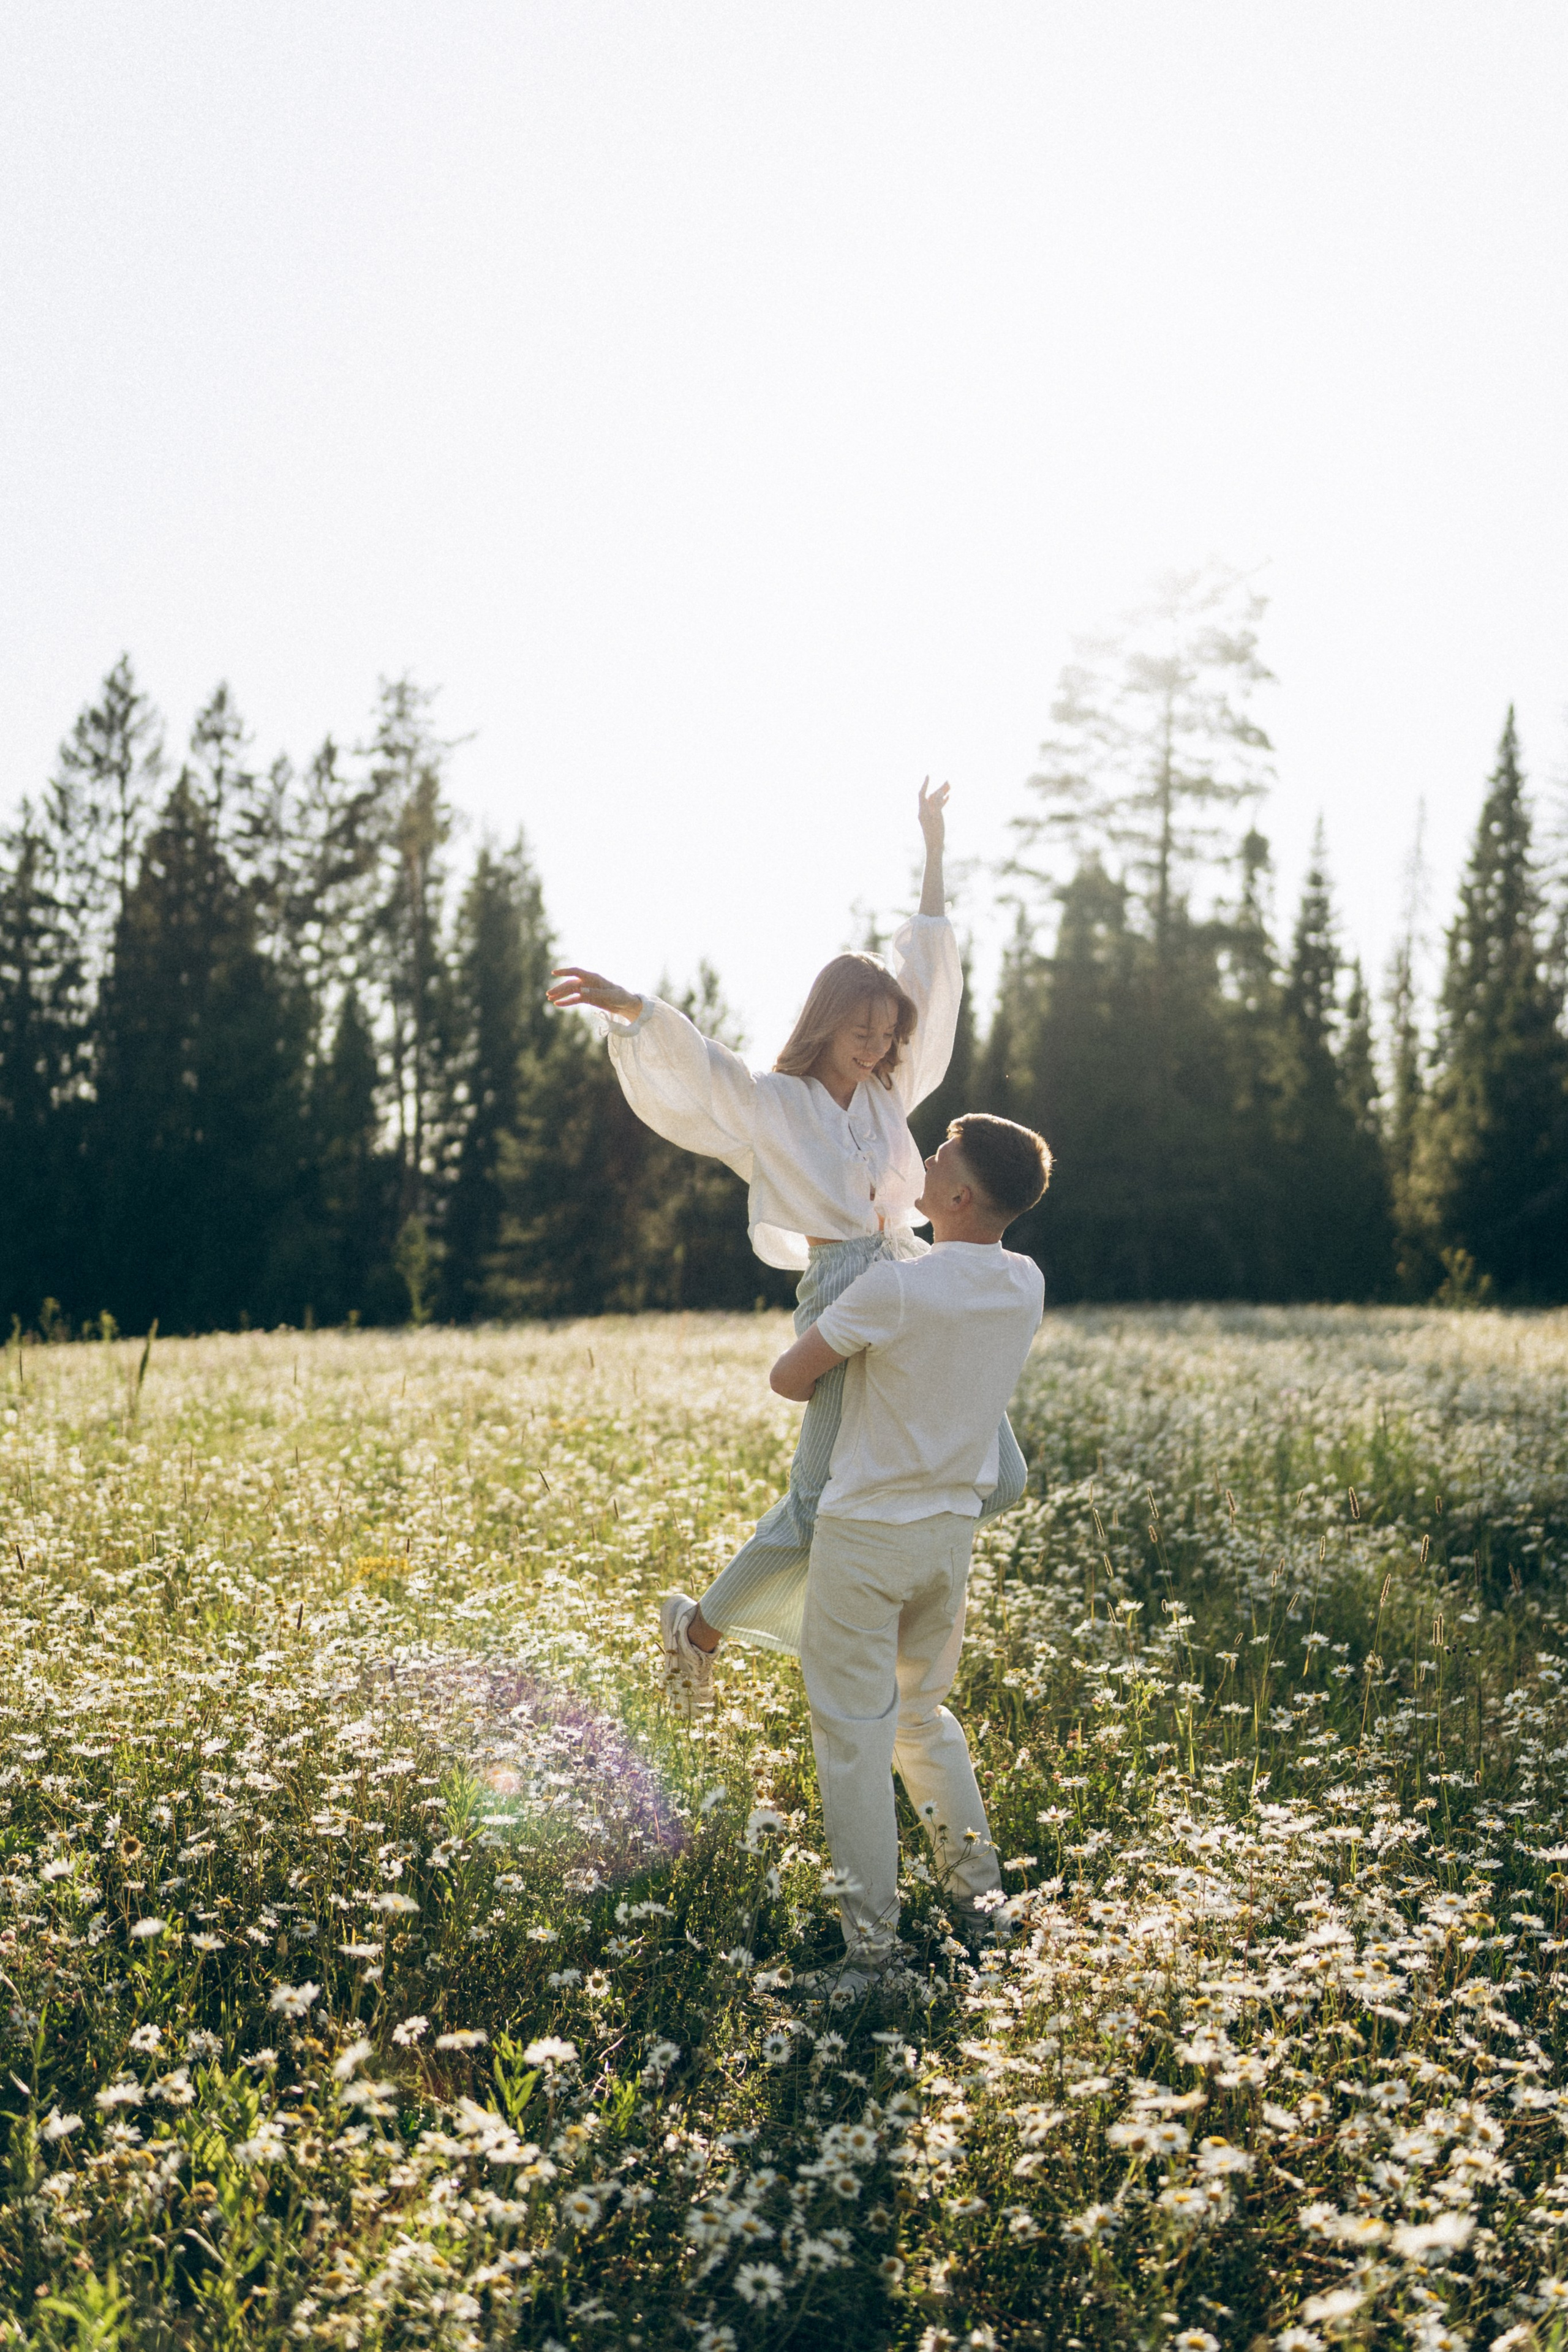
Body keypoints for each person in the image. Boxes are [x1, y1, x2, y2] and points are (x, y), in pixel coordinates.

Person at [546, 785, 1028, 1711]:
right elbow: (703, 1066)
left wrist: (932, 849)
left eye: (887, 1035)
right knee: (814, 1506)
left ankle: (865, 1588)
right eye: (861, 1031)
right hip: (847, 1293)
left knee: (999, 1474)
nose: (877, 1045)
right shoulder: (776, 1102)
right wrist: (635, 1008)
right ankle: (701, 1632)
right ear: (825, 1023)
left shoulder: (891, 1093)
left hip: (916, 1279)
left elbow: (928, 969)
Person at [769, 1112, 1050, 1985]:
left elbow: (788, 1376)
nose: (917, 1160)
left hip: (866, 1538)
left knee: (854, 1738)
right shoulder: (1026, 1281)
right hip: (947, 1540)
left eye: (934, 1157)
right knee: (921, 1717)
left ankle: (875, 1956)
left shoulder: (894, 1291)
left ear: (956, 1195)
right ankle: (981, 1905)